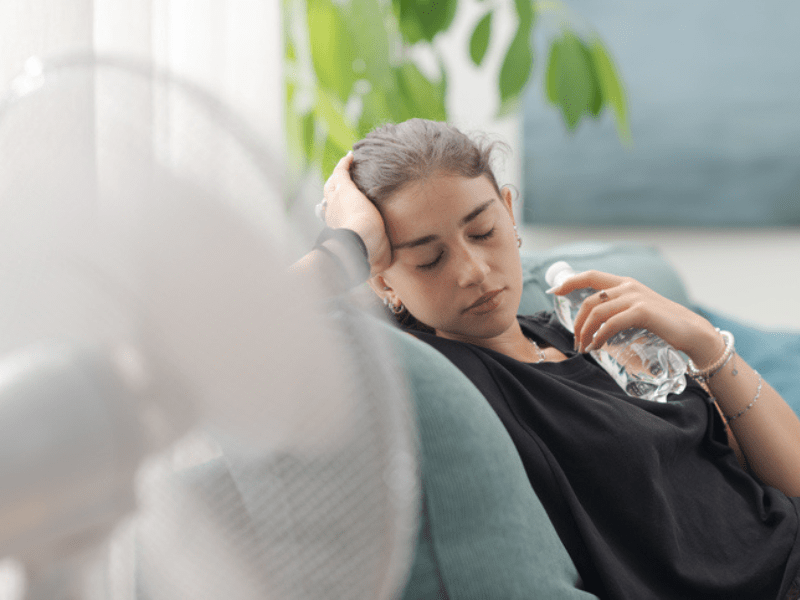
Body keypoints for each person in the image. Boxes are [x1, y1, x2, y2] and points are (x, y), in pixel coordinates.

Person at [295, 118, 800, 599]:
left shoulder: (580, 326)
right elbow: (244, 339)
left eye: (483, 231)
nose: (474, 270)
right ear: (383, 279)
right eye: (430, 259)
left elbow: (784, 475)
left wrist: (705, 343)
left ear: (508, 212)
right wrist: (350, 242)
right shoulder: (436, 375)